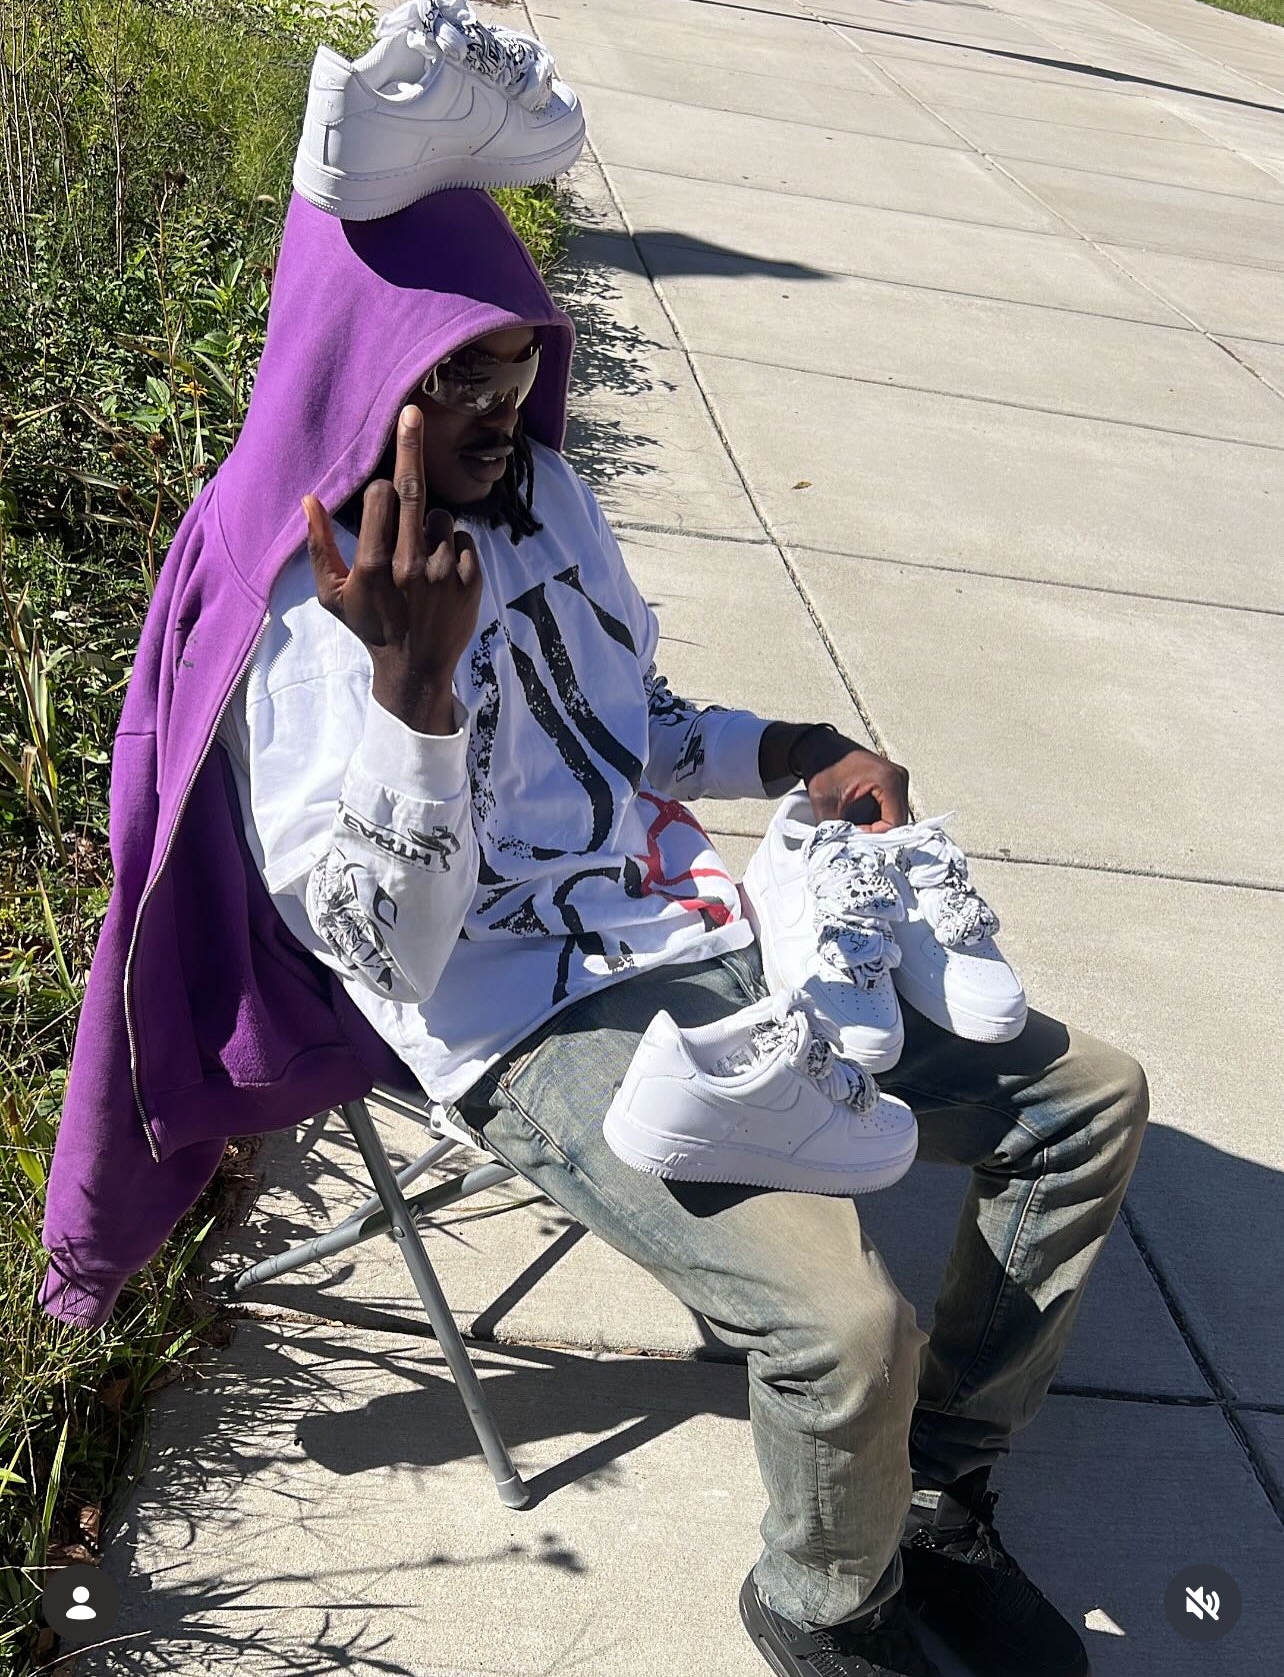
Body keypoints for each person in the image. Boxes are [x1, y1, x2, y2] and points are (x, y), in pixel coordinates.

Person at [41, 187, 1147, 1677]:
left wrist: (793, 749)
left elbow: (632, 726)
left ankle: (936, 1488)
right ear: (365, 375)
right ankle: (828, 1598)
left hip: (686, 922)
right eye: (459, 377)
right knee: (843, 1330)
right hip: (520, 1015)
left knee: (1087, 1104)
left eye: (518, 368)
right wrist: (413, 705)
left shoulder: (545, 498)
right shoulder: (299, 608)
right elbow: (378, 951)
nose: (503, 412)